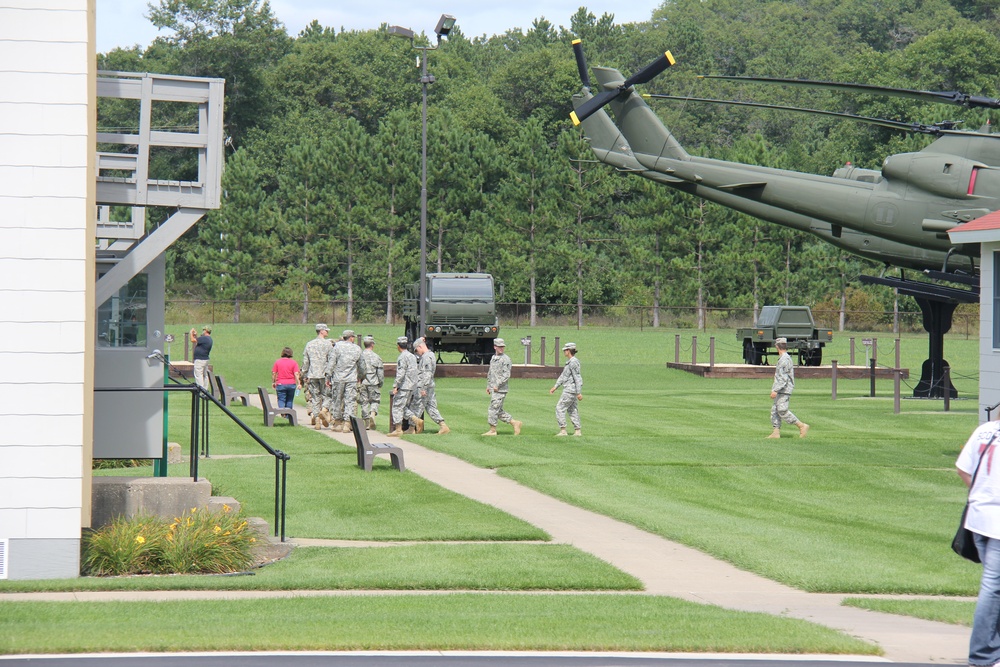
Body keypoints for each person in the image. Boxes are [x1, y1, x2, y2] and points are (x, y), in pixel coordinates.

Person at [957, 417, 1000, 666]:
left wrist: (980, 494)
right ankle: (983, 653)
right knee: (993, 587)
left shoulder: (985, 430)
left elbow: (963, 468)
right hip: (996, 523)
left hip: (978, 519)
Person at [768, 337, 809, 438]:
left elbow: (783, 378)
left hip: (784, 389)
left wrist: (775, 390)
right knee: (775, 410)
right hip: (782, 388)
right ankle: (776, 432)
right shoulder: (784, 358)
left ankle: (801, 425)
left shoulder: (784, 359)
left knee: (782, 410)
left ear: (777, 346)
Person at [325, 330, 362, 432]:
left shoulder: (337, 347)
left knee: (337, 400)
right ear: (351, 338)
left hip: (338, 378)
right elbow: (361, 365)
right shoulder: (357, 348)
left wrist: (328, 377)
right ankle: (347, 423)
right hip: (351, 379)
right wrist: (361, 376)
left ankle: (337, 423)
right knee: (350, 401)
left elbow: (331, 363)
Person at [411, 337, 450, 435]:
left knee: (417, 405)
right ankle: (443, 425)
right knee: (431, 407)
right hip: (429, 385)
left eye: (416, 350)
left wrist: (423, 388)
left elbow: (427, 374)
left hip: (425, 386)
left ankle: (412, 427)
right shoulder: (430, 355)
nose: (417, 352)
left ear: (420, 346)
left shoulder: (426, 357)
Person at [483, 338, 521, 436]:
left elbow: (506, 375)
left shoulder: (506, 359)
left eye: (502, 347)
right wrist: (489, 385)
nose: (501, 348)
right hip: (494, 388)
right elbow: (491, 373)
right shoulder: (493, 358)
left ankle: (492, 430)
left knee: (493, 409)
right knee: (498, 410)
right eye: (499, 347)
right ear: (495, 347)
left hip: (500, 389)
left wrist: (497, 385)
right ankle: (514, 423)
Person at [301, 323, 333, 430]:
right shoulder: (328, 344)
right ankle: (323, 411)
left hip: (313, 374)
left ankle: (317, 421)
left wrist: (305, 374)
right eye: (326, 330)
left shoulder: (309, 344)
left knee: (315, 397)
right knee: (328, 395)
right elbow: (331, 360)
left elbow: (306, 362)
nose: (328, 332)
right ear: (321, 331)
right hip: (324, 374)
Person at [388, 336, 419, 437]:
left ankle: (398, 429)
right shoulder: (412, 356)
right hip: (412, 386)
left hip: (404, 385)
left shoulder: (402, 357)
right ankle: (415, 421)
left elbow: (401, 373)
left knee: (397, 406)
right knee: (405, 406)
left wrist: (395, 385)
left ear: (398, 346)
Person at [549, 341, 582, 436]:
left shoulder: (573, 362)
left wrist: (579, 392)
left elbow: (577, 377)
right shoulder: (570, 362)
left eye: (565, 350)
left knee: (560, 408)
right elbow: (563, 376)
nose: (564, 352)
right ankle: (577, 430)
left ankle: (563, 430)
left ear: (569, 351)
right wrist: (555, 386)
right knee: (572, 409)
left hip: (570, 389)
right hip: (571, 389)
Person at [358, 335, 384, 430]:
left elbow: (358, 370)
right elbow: (380, 373)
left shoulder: (360, 356)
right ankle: (372, 413)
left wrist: (359, 378)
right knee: (375, 400)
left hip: (363, 382)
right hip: (373, 382)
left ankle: (367, 421)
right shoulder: (376, 357)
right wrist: (380, 383)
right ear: (372, 345)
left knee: (364, 402)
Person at [271, 346, 301, 418]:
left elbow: (274, 373)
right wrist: (299, 383)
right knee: (289, 400)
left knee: (281, 399)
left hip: (281, 383)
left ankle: (282, 412)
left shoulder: (278, 362)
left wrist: (273, 382)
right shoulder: (294, 362)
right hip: (291, 384)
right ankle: (288, 415)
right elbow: (296, 373)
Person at [190, 325, 213, 390]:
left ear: (206, 331)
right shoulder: (208, 339)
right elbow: (198, 341)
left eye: (203, 330)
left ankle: (201, 390)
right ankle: (205, 390)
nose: (202, 331)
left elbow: (192, 340)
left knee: (198, 375)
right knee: (204, 375)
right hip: (205, 359)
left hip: (200, 360)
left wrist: (191, 333)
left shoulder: (204, 338)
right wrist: (196, 335)